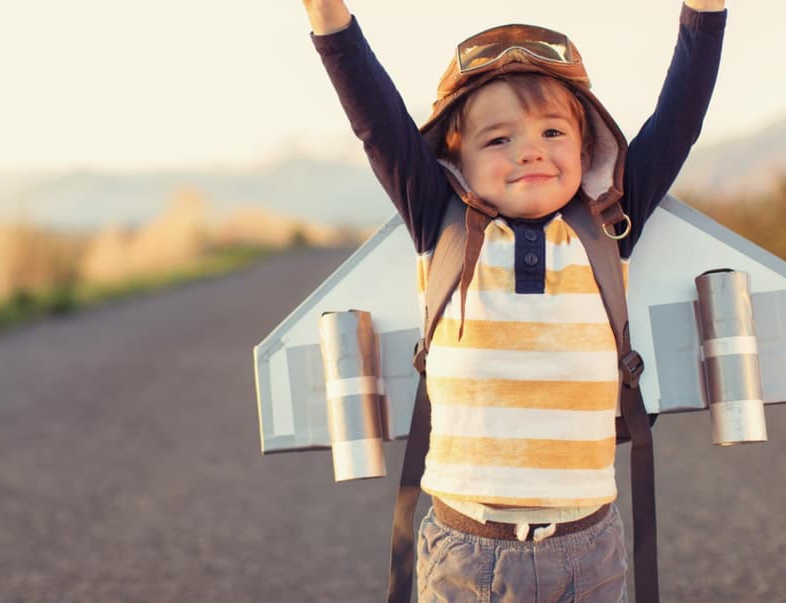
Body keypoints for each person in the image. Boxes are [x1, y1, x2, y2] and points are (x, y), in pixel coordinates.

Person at [299, 1, 727, 600]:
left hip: (589, 547)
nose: (530, 150)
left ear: (587, 149)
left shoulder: (609, 225)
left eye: (552, 132)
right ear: (457, 162)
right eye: (499, 138)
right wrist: (327, 16)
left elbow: (681, 118)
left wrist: (706, 13)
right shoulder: (439, 220)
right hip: (466, 549)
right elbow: (375, 121)